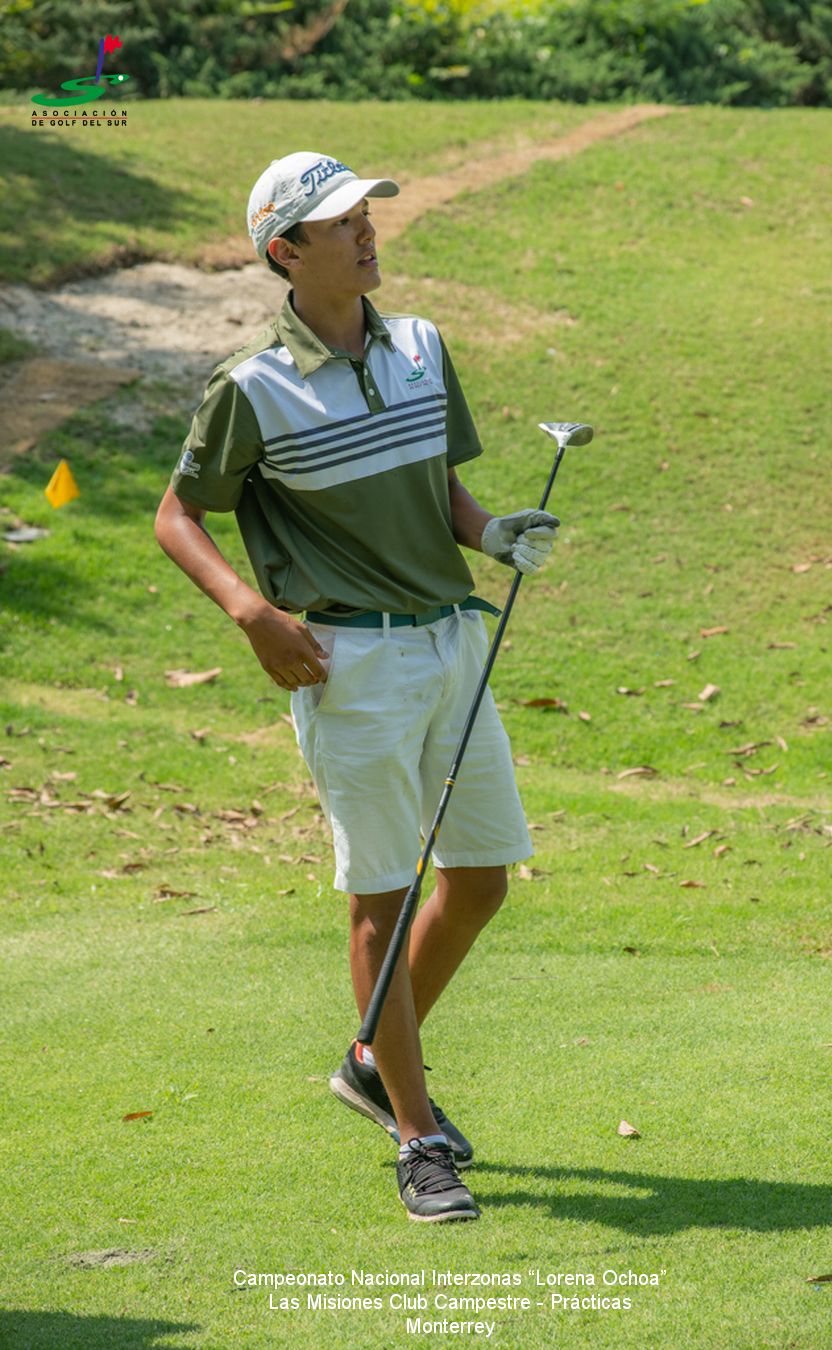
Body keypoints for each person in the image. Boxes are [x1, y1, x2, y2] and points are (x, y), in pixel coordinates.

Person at [154, 151, 560, 1223]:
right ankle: (418, 1140)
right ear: (285, 250)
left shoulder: (421, 345)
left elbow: (437, 483)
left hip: (452, 643)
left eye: (366, 213)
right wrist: (250, 613)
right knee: (381, 896)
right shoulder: (251, 387)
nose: (368, 231)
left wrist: (491, 533)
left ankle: (372, 1061)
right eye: (340, 222)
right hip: (349, 664)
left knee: (480, 880)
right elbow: (176, 515)